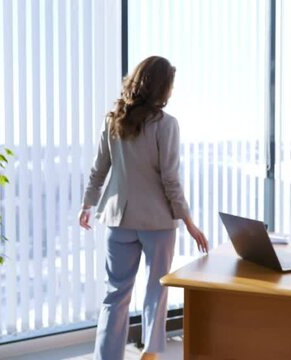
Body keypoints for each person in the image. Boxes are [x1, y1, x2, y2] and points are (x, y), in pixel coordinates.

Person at [79, 56, 208, 360]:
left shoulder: (113, 120)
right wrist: (188, 222)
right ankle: (150, 353)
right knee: (155, 291)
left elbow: (99, 169)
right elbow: (171, 179)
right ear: (162, 88)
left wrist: (87, 204)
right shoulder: (166, 125)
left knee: (115, 294)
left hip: (118, 219)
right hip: (157, 222)